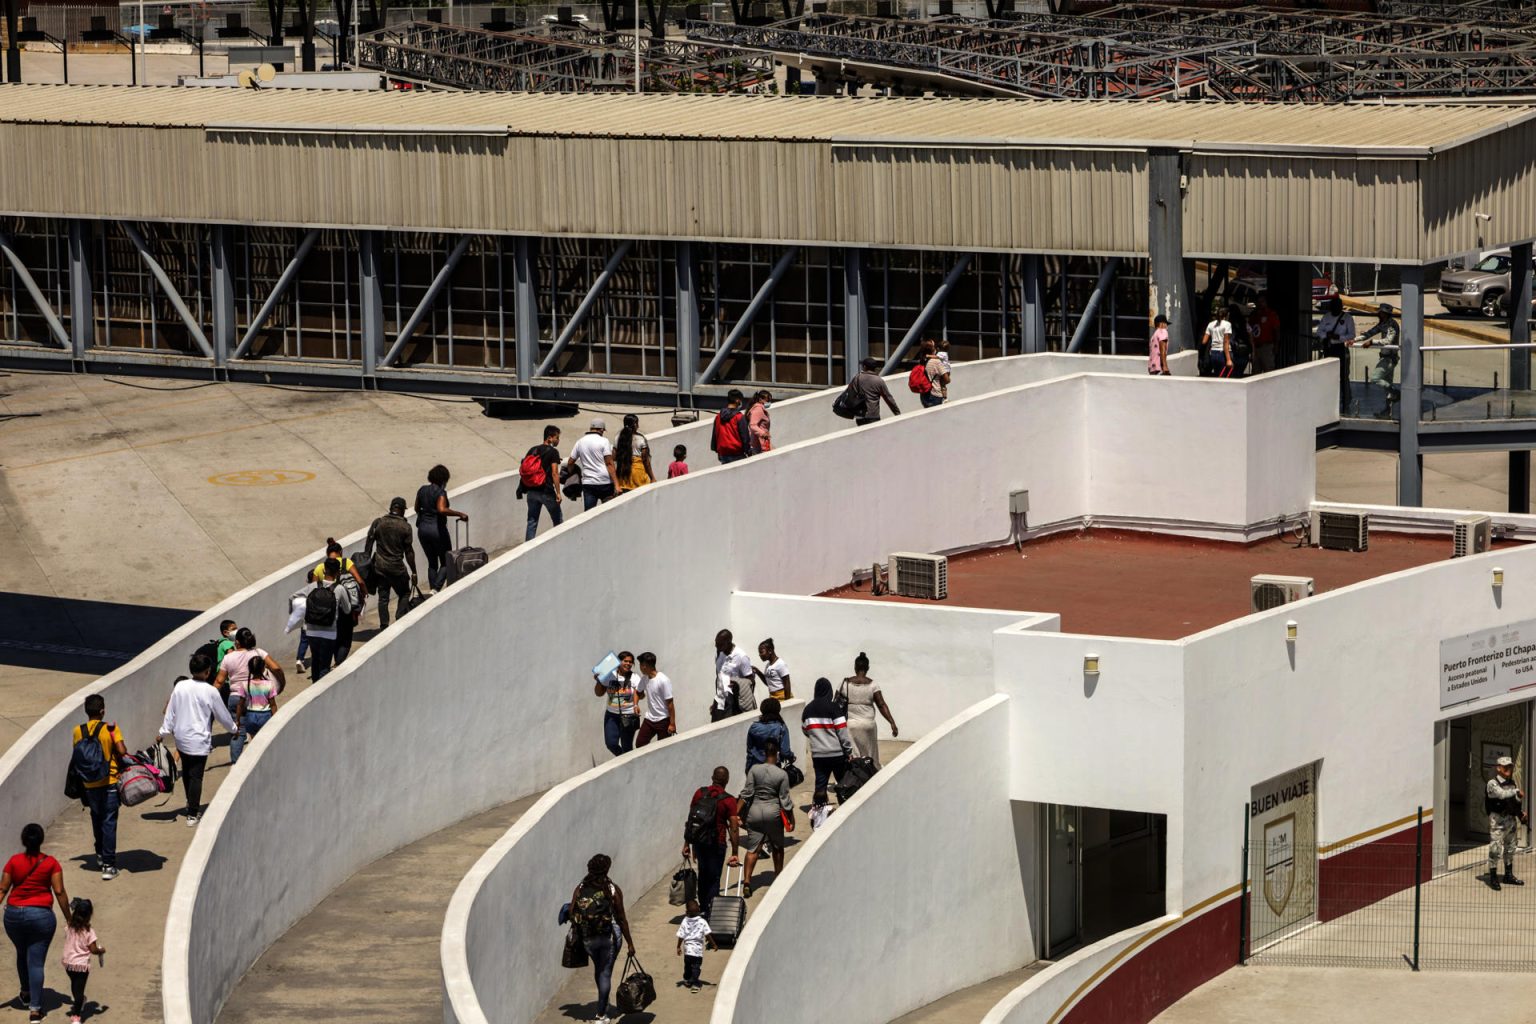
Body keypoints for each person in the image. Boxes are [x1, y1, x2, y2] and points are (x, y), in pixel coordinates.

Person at [0, 823, 72, 1024]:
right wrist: (69, 918)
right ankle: (35, 1009)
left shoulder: (13, 862)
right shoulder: (51, 864)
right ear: (41, 840)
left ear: (23, 840)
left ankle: (25, 992)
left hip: (13, 916)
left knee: (22, 953)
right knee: (36, 961)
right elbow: (59, 892)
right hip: (41, 917)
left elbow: (3, 889)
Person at [160, 652, 236, 825]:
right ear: (208, 671)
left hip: (181, 737)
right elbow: (223, 715)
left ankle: (190, 804)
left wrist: (164, 731)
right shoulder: (210, 691)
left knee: (187, 772)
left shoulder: (180, 686)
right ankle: (193, 814)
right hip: (199, 740)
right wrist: (233, 729)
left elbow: (171, 711)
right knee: (196, 776)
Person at [569, 854, 635, 1024]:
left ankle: (602, 1004)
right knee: (605, 972)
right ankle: (601, 1014)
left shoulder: (581, 887)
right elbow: (621, 919)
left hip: (588, 940)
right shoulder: (611, 889)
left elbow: (571, 912)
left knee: (599, 971)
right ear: (607, 869)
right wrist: (630, 943)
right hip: (609, 938)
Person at [71, 696, 126, 881]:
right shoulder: (109, 728)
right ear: (102, 710)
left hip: (89, 784)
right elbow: (122, 751)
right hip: (108, 781)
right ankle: (109, 866)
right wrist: (114, 734)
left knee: (96, 818)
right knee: (109, 822)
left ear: (86, 711)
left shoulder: (77, 731)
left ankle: (100, 855)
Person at [737, 739, 794, 897]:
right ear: (776, 754)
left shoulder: (754, 770)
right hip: (773, 812)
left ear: (764, 753)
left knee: (753, 849)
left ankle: (747, 881)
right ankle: (778, 877)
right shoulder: (782, 774)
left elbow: (746, 793)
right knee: (777, 847)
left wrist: (735, 813)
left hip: (754, 811)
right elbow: (785, 800)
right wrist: (791, 817)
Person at [683, 768, 741, 919]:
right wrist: (735, 852)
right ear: (727, 781)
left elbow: (691, 820)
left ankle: (702, 909)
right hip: (717, 844)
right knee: (714, 878)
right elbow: (734, 828)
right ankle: (711, 912)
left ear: (712, 777)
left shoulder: (699, 793)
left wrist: (687, 844)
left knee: (703, 875)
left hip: (699, 843)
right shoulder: (728, 800)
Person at [364, 497, 420, 628]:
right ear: (401, 510)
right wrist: (414, 572)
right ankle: (399, 619)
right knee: (405, 593)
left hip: (380, 568)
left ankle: (384, 626)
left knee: (383, 598)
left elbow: (368, 544)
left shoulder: (378, 522)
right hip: (397, 569)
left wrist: (367, 564)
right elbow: (409, 552)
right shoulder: (405, 527)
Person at [214, 627, 286, 725]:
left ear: (237, 642)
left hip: (236, 697)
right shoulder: (259, 653)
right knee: (260, 730)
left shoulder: (227, 658)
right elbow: (276, 668)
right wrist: (281, 684)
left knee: (239, 733)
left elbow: (219, 681)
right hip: (257, 698)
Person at [841, 652, 898, 769]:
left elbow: (836, 704)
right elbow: (881, 705)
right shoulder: (873, 685)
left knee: (854, 757)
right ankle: (871, 773)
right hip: (868, 726)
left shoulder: (845, 683)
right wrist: (892, 723)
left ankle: (855, 776)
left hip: (851, 726)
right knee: (871, 757)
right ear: (867, 668)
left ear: (855, 667)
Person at [416, 464, 468, 591]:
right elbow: (441, 509)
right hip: (437, 530)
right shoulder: (441, 492)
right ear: (444, 479)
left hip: (422, 530)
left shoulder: (422, 490)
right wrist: (459, 514)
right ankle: (435, 590)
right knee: (446, 561)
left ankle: (432, 591)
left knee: (432, 563)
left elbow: (417, 508)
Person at [303, 558, 354, 682]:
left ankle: (314, 687)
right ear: (338, 572)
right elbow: (347, 610)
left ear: (324, 570)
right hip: (329, 633)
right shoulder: (340, 589)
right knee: (325, 665)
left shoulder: (313, 586)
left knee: (315, 660)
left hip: (311, 631)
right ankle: (321, 692)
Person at [802, 677, 853, 796]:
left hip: (818, 755)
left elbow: (805, 730)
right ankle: (844, 809)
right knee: (842, 784)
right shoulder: (834, 707)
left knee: (820, 786)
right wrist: (848, 751)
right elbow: (842, 732)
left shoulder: (808, 709)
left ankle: (820, 811)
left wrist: (817, 736)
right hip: (837, 755)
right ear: (829, 691)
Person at [1486, 755, 1527, 890]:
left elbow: (1513, 802)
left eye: (1510, 766)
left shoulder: (1511, 782)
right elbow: (1502, 795)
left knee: (1510, 848)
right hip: (1498, 821)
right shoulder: (1492, 783)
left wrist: (1521, 814)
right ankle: (1493, 877)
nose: (1508, 769)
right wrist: (1516, 792)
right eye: (1505, 767)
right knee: (1495, 849)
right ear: (1499, 768)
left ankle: (1508, 875)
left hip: (1510, 820)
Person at [518, 425, 564, 542]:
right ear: (549, 438)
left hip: (531, 491)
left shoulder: (532, 450)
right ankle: (559, 545)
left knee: (532, 521)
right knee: (558, 520)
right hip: (546, 491)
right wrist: (558, 492)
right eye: (557, 438)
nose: (558, 440)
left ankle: (527, 548)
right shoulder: (553, 452)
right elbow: (554, 473)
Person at [60, 897, 102, 1024]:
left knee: (75, 985)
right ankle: (76, 1016)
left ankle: (80, 1001)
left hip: (68, 964)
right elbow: (93, 950)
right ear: (89, 915)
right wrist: (101, 950)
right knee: (78, 992)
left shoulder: (69, 926)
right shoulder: (89, 932)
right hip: (81, 966)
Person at [593, 651, 642, 757]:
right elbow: (598, 693)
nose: (628, 664)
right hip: (611, 715)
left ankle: (628, 766)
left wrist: (636, 705)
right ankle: (623, 760)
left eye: (630, 662)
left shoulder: (634, 677)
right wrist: (599, 681)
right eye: (625, 661)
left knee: (627, 747)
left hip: (628, 716)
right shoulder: (609, 675)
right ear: (618, 662)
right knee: (611, 744)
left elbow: (639, 693)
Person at [1356, 303, 1401, 417]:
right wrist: (1354, 340)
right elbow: (1370, 333)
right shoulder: (1383, 323)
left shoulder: (1392, 325)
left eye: (1380, 312)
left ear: (1385, 313)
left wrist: (1372, 342)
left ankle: (1395, 392)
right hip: (1385, 357)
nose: (1378, 314)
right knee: (1387, 389)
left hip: (1389, 359)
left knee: (1375, 378)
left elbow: (1388, 341)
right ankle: (1387, 412)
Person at [234, 655, 279, 760]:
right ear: (263, 668)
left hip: (250, 716)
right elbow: (273, 704)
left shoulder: (245, 684)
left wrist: (237, 720)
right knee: (265, 742)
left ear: (250, 669)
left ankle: (254, 760)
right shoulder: (269, 684)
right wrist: (276, 719)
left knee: (254, 742)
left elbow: (240, 704)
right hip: (265, 715)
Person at [567, 419, 618, 511]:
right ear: (601, 430)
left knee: (588, 514)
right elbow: (609, 463)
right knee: (608, 513)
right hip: (605, 483)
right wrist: (617, 485)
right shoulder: (604, 441)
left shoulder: (580, 442)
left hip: (588, 483)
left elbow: (570, 462)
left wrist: (572, 474)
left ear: (591, 428)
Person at [1317, 295, 1357, 411]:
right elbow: (1320, 332)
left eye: (1337, 306)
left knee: (1344, 377)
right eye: (1333, 307)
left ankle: (1346, 402)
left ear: (1341, 307)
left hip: (1341, 349)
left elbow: (1352, 335)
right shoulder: (1326, 317)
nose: (1335, 309)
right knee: (1329, 376)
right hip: (1329, 349)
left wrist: (1338, 337)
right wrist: (1327, 335)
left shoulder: (1348, 318)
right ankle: (1330, 401)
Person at [712, 629, 756, 721]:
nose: (717, 647)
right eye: (716, 644)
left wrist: (737, 684)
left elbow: (751, 681)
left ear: (728, 642)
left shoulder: (741, 656)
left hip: (736, 701)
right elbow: (719, 676)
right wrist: (716, 703)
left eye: (720, 644)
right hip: (722, 698)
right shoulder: (719, 654)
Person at [634, 652, 676, 748]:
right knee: (640, 744)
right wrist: (636, 705)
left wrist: (672, 724)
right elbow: (637, 691)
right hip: (649, 720)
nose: (640, 667)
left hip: (663, 721)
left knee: (664, 749)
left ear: (644, 666)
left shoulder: (663, 680)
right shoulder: (645, 678)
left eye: (640, 665)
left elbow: (670, 704)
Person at [675, 898, 716, 994]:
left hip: (688, 951)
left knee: (687, 966)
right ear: (699, 910)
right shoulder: (702, 922)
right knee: (696, 968)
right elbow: (708, 935)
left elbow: (681, 936)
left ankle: (687, 979)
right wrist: (714, 944)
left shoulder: (685, 921)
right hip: (697, 952)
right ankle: (696, 984)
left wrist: (678, 947)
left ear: (686, 912)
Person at [745, 698, 793, 778]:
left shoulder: (753, 727)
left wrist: (748, 768)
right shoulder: (781, 727)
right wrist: (791, 756)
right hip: (774, 768)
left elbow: (750, 751)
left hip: (755, 768)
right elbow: (785, 752)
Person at [850, 357, 901, 425]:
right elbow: (888, 398)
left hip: (860, 415)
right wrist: (897, 414)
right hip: (873, 416)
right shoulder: (879, 381)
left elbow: (851, 394)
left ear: (865, 367)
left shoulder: (857, 378)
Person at [614, 414, 654, 493]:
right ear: (635, 424)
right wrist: (652, 477)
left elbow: (614, 456)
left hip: (623, 475)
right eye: (637, 423)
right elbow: (645, 460)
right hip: (638, 474)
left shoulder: (618, 437)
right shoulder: (640, 439)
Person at [710, 390, 752, 464]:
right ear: (737, 400)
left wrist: (716, 449)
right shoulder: (739, 417)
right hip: (737, 452)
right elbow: (745, 436)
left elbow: (715, 434)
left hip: (723, 453)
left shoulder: (718, 417)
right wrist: (748, 450)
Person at [1249, 292, 1281, 374]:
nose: (1260, 304)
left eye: (1262, 301)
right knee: (1255, 371)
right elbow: (1250, 330)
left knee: (1268, 370)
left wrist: (1276, 345)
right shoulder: (1253, 315)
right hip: (1255, 347)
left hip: (1266, 346)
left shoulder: (1271, 314)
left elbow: (1276, 330)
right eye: (1258, 302)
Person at [1201, 306, 1233, 378]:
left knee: (1218, 375)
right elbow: (1226, 342)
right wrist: (1228, 359)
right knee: (1226, 377)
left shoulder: (1210, 324)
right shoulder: (1227, 324)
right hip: (1223, 353)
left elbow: (1204, 341)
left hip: (1213, 353)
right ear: (1227, 314)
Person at [923, 339, 949, 407]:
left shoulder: (923, 361)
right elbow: (947, 380)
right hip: (935, 395)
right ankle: (945, 397)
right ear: (933, 349)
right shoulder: (936, 362)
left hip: (924, 394)